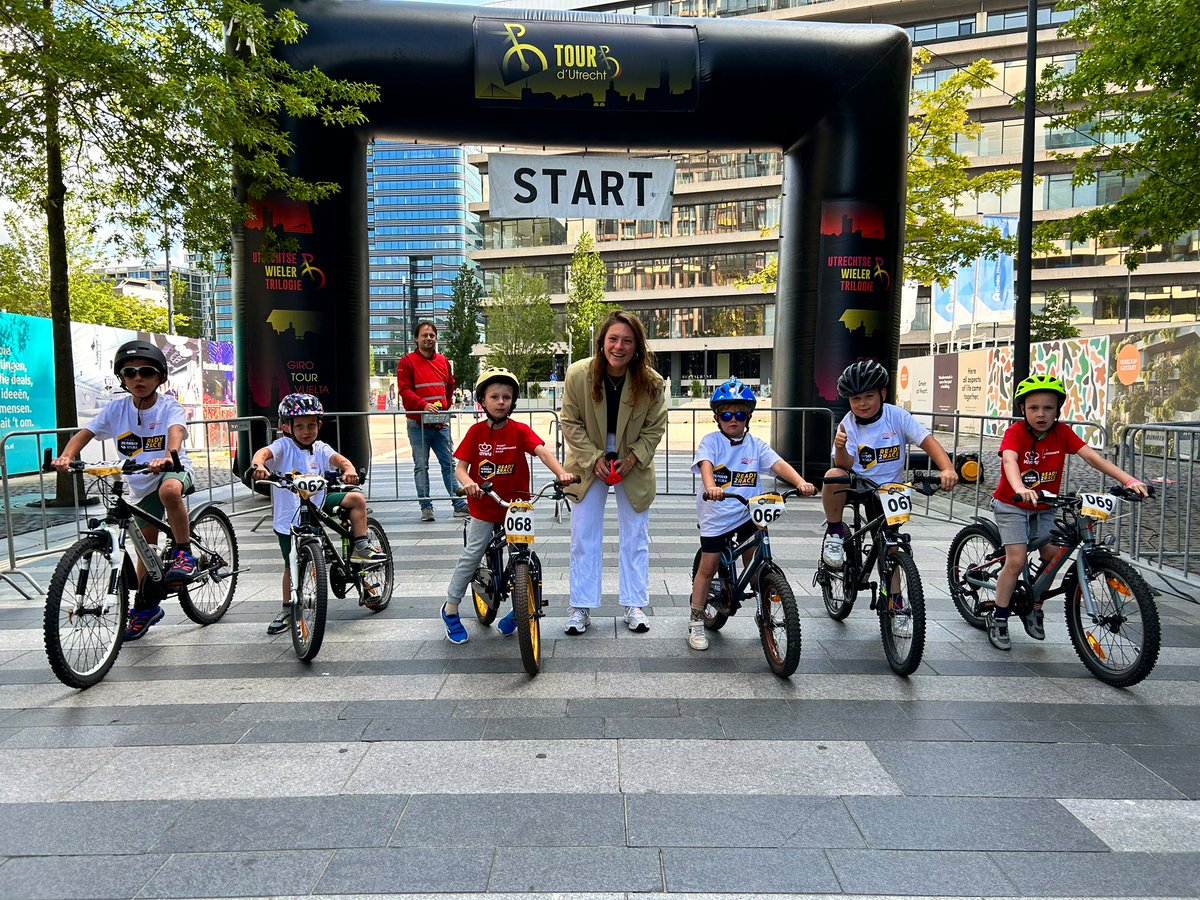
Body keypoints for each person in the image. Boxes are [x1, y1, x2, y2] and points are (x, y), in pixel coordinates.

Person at [985, 373, 1148, 650]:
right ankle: (999, 617)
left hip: (1046, 505)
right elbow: (1010, 461)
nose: (1041, 414)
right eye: (1034, 407)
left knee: (1052, 556)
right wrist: (1019, 488)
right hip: (1012, 504)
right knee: (1016, 560)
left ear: (1057, 410)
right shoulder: (1015, 433)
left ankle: (1035, 602)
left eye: (1048, 408)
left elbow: (1092, 457)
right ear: (1022, 409)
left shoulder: (1062, 433)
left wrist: (1128, 480)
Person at [51, 340, 196, 642]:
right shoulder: (117, 409)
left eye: (146, 372)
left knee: (170, 491)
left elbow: (176, 429)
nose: (138, 379)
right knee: (145, 545)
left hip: (171, 468)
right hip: (138, 480)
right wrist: (67, 456)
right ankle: (145, 608)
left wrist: (170, 453)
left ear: (160, 378)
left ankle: (184, 551)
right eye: (130, 373)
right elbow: (86, 433)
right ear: (122, 378)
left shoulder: (168, 405)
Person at [440, 368, 576, 644]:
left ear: (513, 402)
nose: (501, 401)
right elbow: (461, 468)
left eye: (506, 397)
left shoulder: (519, 431)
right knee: (473, 553)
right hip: (484, 505)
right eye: (494, 396)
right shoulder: (476, 433)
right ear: (483, 400)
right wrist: (468, 483)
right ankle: (451, 608)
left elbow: (542, 451)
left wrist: (561, 473)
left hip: (516, 506)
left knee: (521, 554)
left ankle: (521, 605)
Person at [560, 310, 668, 635]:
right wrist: (594, 458)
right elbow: (569, 421)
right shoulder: (578, 374)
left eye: (627, 341)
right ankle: (580, 607)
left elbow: (655, 427)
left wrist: (633, 459)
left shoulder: (651, 383)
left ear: (637, 347)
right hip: (588, 458)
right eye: (613, 339)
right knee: (583, 535)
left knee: (636, 537)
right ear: (602, 342)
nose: (618, 346)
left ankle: (634, 605)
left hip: (632, 458)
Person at [689, 378, 815, 651]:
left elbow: (778, 465)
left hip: (748, 513)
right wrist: (711, 487)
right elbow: (706, 465)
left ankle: (765, 612)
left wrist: (800, 482)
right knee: (708, 567)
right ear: (716, 417)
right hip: (717, 514)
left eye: (739, 414)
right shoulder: (711, 442)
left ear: (748, 416)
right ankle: (697, 619)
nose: (733, 420)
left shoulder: (755, 445)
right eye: (726, 414)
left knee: (755, 562)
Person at [249, 393, 388, 635]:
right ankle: (287, 609)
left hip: (319, 504)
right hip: (289, 519)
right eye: (300, 426)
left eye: (311, 425)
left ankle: (361, 545)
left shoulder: (321, 448)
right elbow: (263, 454)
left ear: (319, 425)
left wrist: (349, 469)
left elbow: (340, 460)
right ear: (286, 427)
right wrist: (259, 466)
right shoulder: (283, 446)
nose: (306, 431)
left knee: (356, 498)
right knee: (290, 564)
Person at [821, 359, 959, 568]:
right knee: (833, 475)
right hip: (859, 485)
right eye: (856, 398)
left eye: (869, 396)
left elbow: (927, 441)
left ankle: (894, 598)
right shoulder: (847, 424)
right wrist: (840, 447)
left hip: (890, 491)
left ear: (882, 394)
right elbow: (845, 464)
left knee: (891, 547)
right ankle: (834, 533)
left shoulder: (896, 416)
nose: (863, 403)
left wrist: (947, 468)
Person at [397, 319, 468, 522]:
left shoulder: (443, 361)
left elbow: (450, 384)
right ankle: (426, 507)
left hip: (439, 423)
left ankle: (459, 503)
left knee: (449, 464)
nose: (428, 338)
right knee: (421, 466)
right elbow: (405, 390)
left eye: (432, 335)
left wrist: (446, 404)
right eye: (424, 335)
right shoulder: (407, 362)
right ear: (416, 339)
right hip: (418, 423)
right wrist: (422, 405)